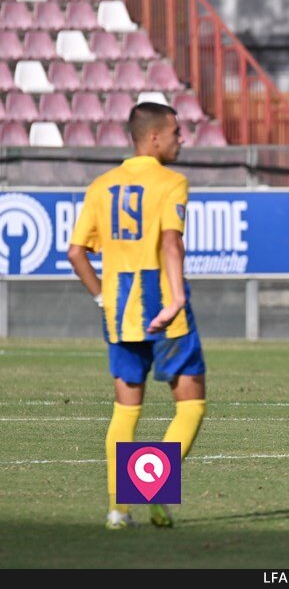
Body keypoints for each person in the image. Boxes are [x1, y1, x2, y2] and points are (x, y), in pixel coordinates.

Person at [67, 103, 206, 530]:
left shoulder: (101, 185)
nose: (183, 139)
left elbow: (76, 252)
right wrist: (176, 297)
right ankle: (153, 489)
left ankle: (117, 510)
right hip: (163, 307)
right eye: (178, 133)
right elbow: (170, 243)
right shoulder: (171, 181)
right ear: (155, 138)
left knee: (126, 411)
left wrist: (101, 299)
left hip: (118, 312)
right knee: (191, 406)